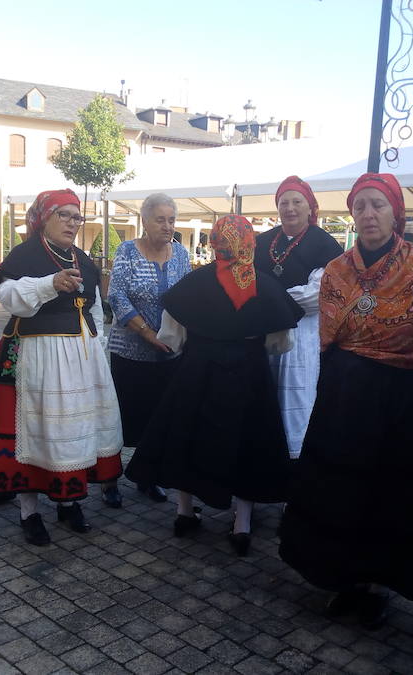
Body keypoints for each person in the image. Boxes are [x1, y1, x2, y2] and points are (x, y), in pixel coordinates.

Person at [278, 172, 413, 629]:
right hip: (344, 398)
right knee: (340, 489)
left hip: (400, 402)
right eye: (360, 207)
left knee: (385, 493)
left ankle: (376, 584)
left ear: (395, 211)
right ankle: (342, 578)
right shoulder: (337, 270)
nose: (368, 214)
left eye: (377, 205)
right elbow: (331, 338)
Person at [0, 189, 123, 545]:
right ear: (45, 217)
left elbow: (92, 308)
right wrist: (49, 284)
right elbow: (8, 297)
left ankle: (69, 500)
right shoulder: (25, 253)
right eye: (65, 215)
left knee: (74, 427)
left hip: (80, 358)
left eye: (77, 217)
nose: (73, 223)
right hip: (36, 354)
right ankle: (28, 512)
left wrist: (96, 344)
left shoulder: (83, 259)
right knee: (31, 432)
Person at [125, 215, 303, 557]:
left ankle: (184, 512)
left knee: (188, 437)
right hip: (249, 376)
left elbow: (171, 338)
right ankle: (242, 526)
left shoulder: (192, 285)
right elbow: (280, 344)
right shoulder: (267, 287)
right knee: (249, 445)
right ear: (250, 243)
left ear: (214, 243)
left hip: (198, 373)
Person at [107, 193, 191, 505]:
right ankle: (109, 480)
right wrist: (146, 332)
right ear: (145, 221)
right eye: (160, 219)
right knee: (121, 416)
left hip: (169, 352)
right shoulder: (127, 250)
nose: (167, 226)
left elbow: (187, 296)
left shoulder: (181, 253)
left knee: (158, 418)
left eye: (171, 219)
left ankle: (147, 476)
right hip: (130, 351)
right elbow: (116, 296)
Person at [255, 176, 343, 458]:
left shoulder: (324, 244)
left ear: (309, 207)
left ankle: (295, 470)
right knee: (265, 397)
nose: (290, 208)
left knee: (297, 400)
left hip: (302, 335)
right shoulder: (263, 241)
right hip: (266, 332)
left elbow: (317, 295)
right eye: (284, 202)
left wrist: (270, 298)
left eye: (296, 202)